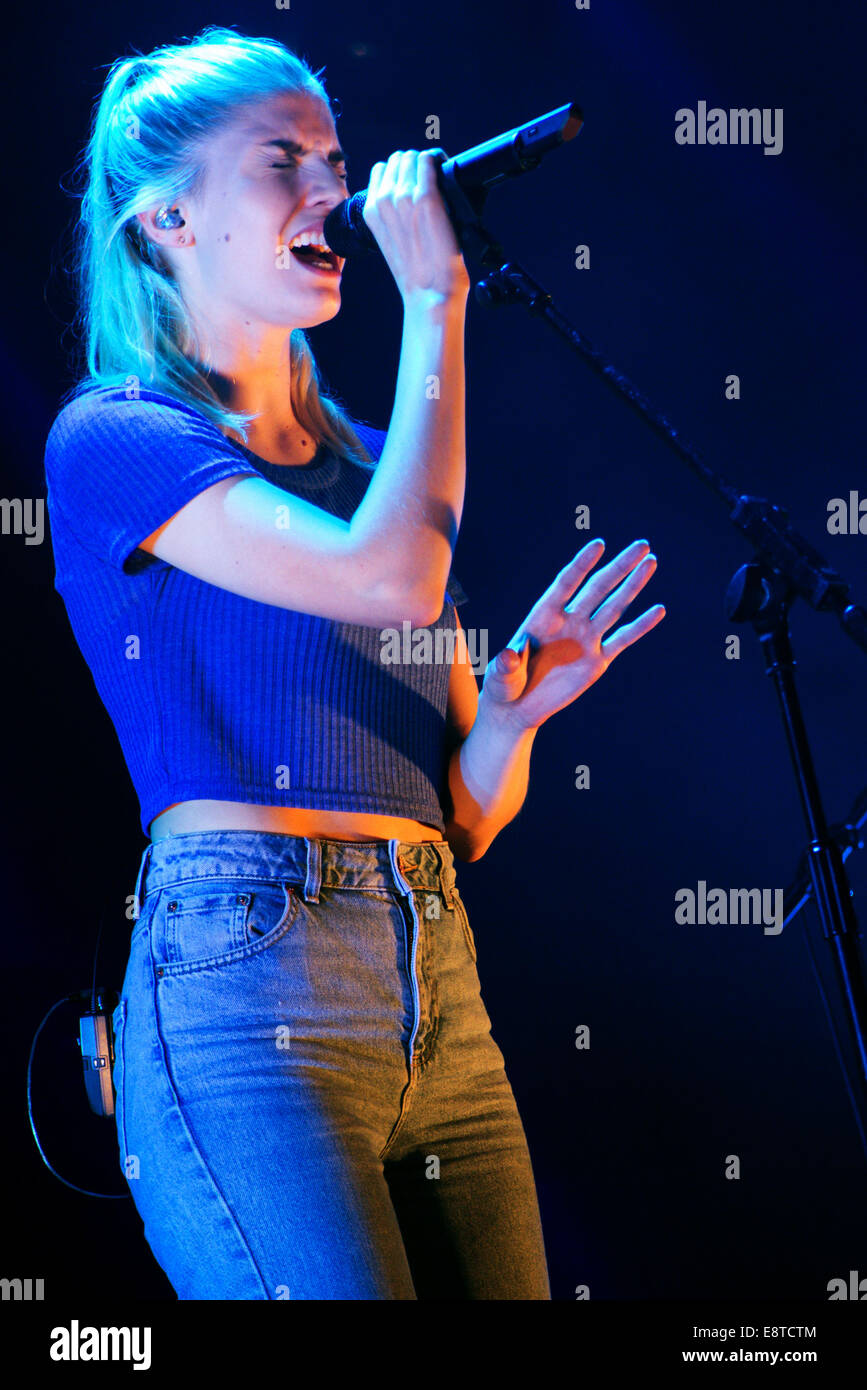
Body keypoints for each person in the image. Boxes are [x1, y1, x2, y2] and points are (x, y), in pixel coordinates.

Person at [44, 27, 665, 1300]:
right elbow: (390, 576)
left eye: (336, 155)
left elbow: (467, 817)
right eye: (285, 160)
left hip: (438, 972)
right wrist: (438, 300)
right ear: (166, 218)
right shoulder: (115, 437)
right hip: (245, 978)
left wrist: (510, 720)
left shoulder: (376, 463)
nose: (336, 186)